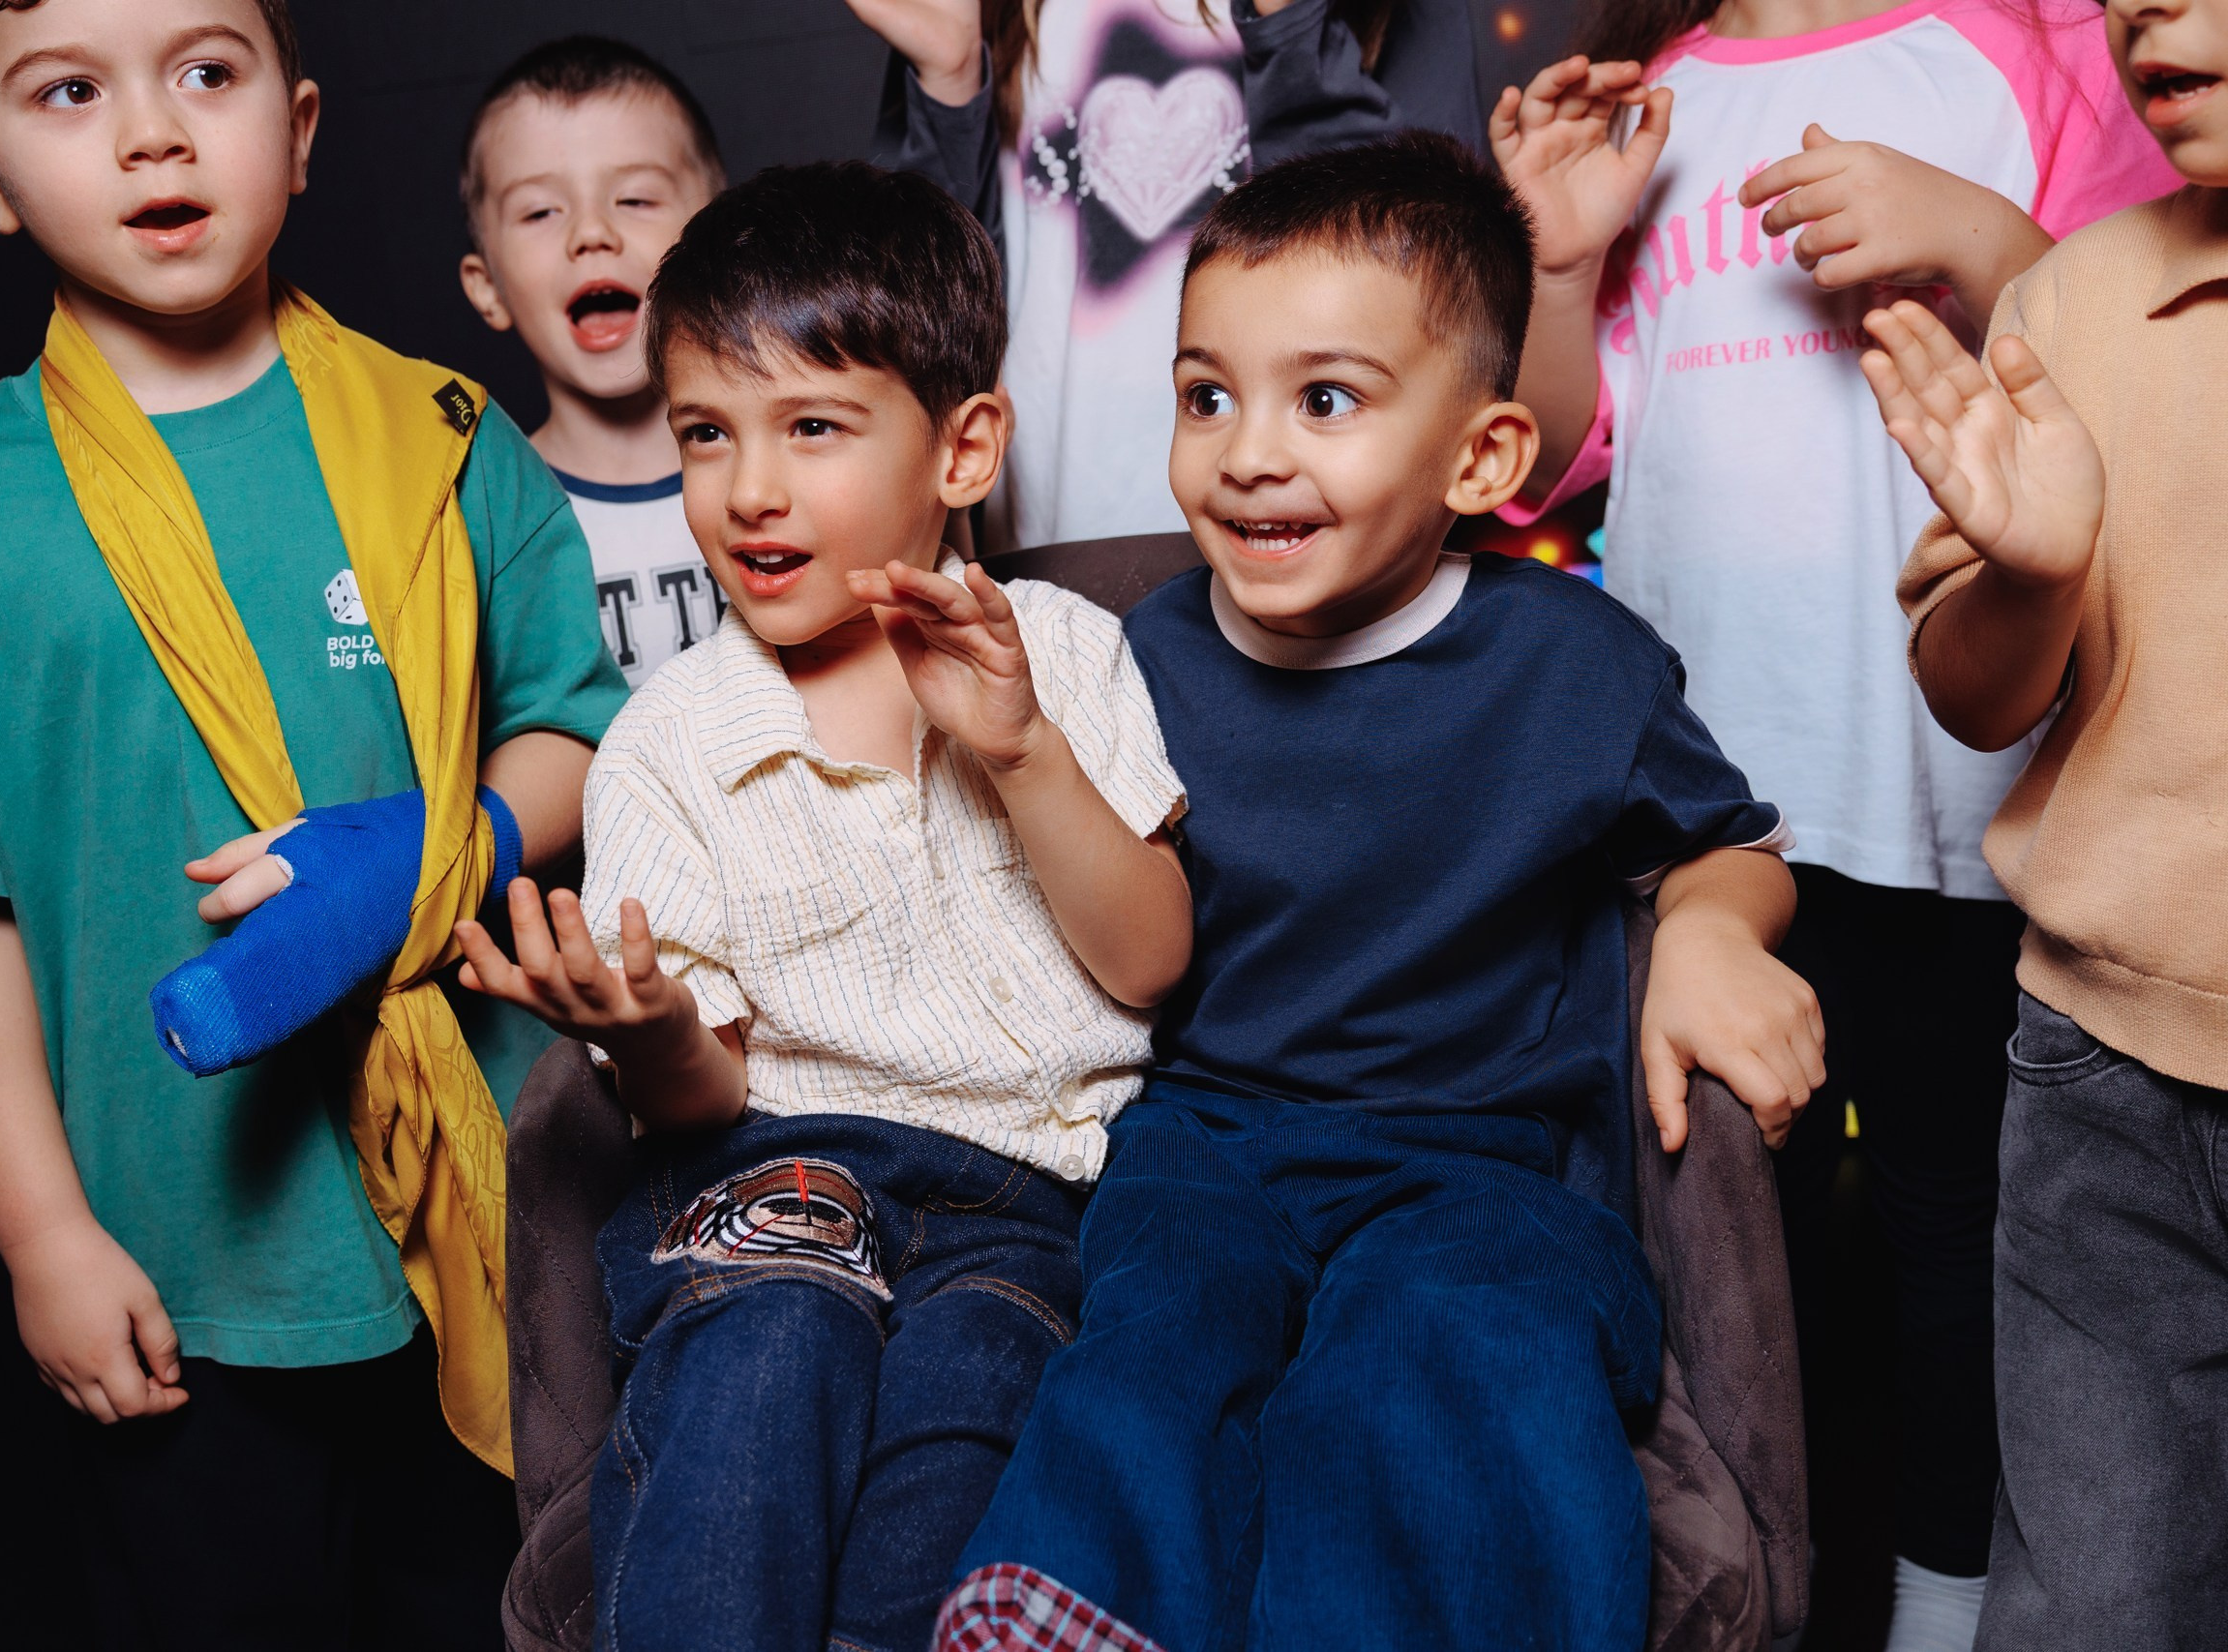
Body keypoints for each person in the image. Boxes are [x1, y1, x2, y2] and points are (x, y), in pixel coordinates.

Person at [939, 133, 1824, 1652]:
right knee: (1154, 1333)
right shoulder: (1137, 656)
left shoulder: (1573, 662)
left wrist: (1712, 930)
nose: (1248, 449)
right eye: (1205, 394)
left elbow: (1724, 839)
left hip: (1485, 1160)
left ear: (1477, 459)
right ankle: (1067, 1611)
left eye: (1325, 399)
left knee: (1456, 1339)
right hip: (1209, 1133)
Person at [0, 1, 626, 1643]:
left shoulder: (448, 439)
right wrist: (42, 1229)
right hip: (171, 1244)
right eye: (70, 91)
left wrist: (436, 844)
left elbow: (581, 727)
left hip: (489, 1217)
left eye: (207, 72)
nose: (153, 134)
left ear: (303, 125)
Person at [1492, 3, 2175, 1639]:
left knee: (1964, 1241)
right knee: (1727, 1261)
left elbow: (2154, 365)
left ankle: (1945, 1608)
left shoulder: (2040, 47)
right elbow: (1552, 452)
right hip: (1702, 819)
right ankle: (1747, 1602)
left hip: (1949, 796)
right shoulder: (1646, 102)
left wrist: (1974, 231)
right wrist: (1559, 261)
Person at [451, 161, 1192, 1652]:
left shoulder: (1065, 650)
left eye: (813, 427)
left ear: (965, 447)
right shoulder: (668, 738)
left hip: (1022, 1200)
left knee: (970, 1406)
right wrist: (650, 1023)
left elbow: (1151, 960)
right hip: (785, 1168)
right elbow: (697, 1096)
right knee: (771, 1339)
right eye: (707, 434)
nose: (749, 489)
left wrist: (1023, 750)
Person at [1857, 0, 2228, 1638]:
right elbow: (1976, 696)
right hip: (2099, 1075)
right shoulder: (2072, 299)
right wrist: (2031, 566)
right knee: (2089, 1593)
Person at [852, 0, 1484, 551]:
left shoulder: (1402, 12)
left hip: (1297, 552)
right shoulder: (1006, 9)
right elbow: (922, 316)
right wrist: (950, 84)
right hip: (1052, 553)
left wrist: (1294, 33)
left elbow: (1425, 290)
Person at [457, 34, 727, 689]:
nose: (590, 233)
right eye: (540, 211)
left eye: (635, 199)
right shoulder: (480, 522)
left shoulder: (800, 474)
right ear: (487, 286)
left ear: (719, 237)